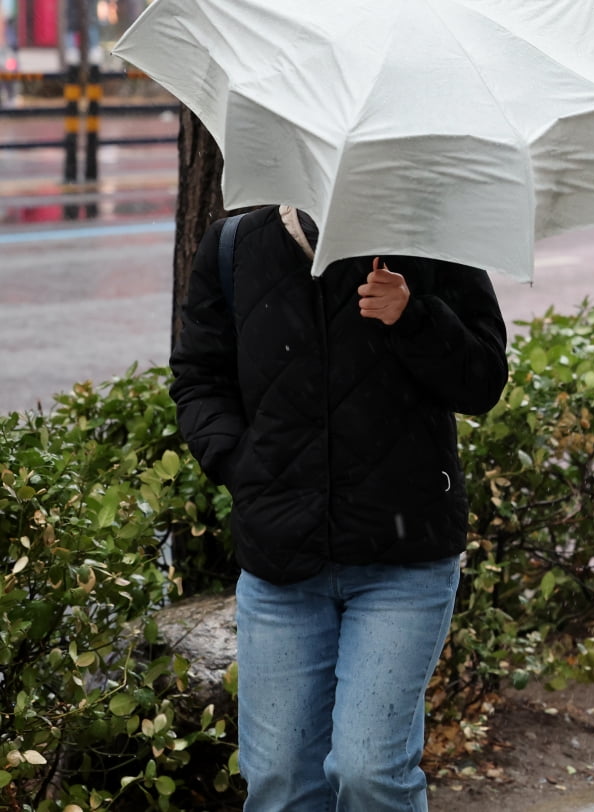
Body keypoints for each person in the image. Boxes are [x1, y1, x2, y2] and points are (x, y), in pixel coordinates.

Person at [169, 204, 509, 811]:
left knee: (368, 772)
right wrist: (245, 470)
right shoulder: (234, 245)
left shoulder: (431, 237)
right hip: (280, 566)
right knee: (279, 784)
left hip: (402, 564)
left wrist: (413, 316)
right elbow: (200, 378)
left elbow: (483, 381)